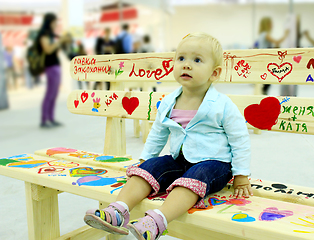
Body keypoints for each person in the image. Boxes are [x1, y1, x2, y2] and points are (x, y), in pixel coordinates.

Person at [84, 32, 252, 239]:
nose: (186, 65)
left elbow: (240, 140)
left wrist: (241, 175)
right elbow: (157, 133)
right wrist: (146, 159)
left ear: (214, 73)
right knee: (149, 168)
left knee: (195, 176)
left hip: (214, 164)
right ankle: (117, 211)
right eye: (181, 58)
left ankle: (157, 221)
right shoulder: (170, 101)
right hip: (179, 160)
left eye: (197, 60)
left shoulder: (222, 105)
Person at [36, 13, 67, 128]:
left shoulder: (50, 35)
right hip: (50, 67)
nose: (56, 24)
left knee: (54, 93)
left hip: (55, 66)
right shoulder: (43, 35)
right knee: (50, 93)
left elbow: (53, 50)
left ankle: (51, 118)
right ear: (49, 22)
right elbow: (48, 50)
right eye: (54, 22)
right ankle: (44, 119)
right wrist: (59, 41)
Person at [258, 17, 289, 95]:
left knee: (267, 81)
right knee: (267, 81)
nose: (272, 25)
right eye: (270, 23)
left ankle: (263, 94)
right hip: (265, 59)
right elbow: (277, 41)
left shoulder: (262, 35)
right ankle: (263, 94)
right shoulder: (265, 34)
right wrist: (286, 34)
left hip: (263, 58)